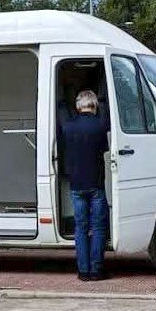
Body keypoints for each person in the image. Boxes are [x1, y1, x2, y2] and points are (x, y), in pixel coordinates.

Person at [58, 89, 111, 281]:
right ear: (94, 105)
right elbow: (105, 149)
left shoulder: (68, 126)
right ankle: (96, 270)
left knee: (80, 228)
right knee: (97, 227)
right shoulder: (100, 125)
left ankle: (83, 271)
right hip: (96, 183)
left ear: (78, 106)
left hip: (76, 184)